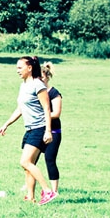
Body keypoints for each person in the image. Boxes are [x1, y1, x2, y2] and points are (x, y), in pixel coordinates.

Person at [0, 56, 58, 205]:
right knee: (28, 165)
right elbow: (20, 109)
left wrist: (48, 131)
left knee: (25, 161)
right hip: (29, 129)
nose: (17, 70)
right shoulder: (23, 85)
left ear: (29, 68)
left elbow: (46, 108)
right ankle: (30, 197)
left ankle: (48, 191)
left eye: (20, 67)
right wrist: (7, 123)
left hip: (39, 128)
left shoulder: (38, 84)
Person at [26, 62, 62, 193]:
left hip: (53, 131)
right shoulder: (36, 91)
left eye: (42, 77)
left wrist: (41, 117)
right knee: (30, 160)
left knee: (50, 159)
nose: (40, 80)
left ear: (47, 77)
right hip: (38, 130)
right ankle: (29, 186)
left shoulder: (54, 93)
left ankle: (54, 190)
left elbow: (56, 113)